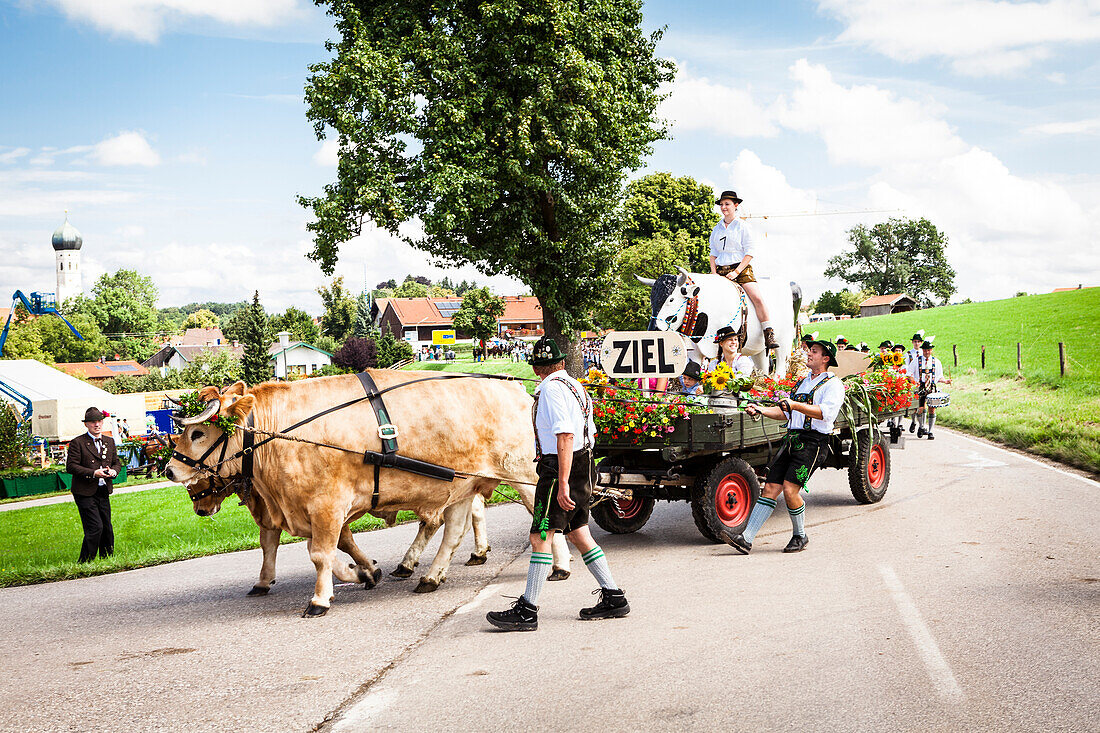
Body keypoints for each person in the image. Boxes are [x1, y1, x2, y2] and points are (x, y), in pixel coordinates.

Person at [487, 336, 629, 631]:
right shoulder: (575, 386)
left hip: (559, 469)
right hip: (584, 462)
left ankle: (527, 611)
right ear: (562, 363)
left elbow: (565, 435)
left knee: (540, 537)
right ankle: (614, 597)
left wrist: (562, 482)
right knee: (578, 532)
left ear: (538, 368)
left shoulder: (551, 389)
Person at [719, 339, 844, 555]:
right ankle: (746, 539)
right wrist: (760, 409)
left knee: (789, 489)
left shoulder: (833, 384)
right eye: (809, 350)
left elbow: (826, 413)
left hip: (813, 443)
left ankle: (800, 535)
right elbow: (785, 412)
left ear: (826, 359)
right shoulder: (803, 383)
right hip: (792, 439)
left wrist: (795, 405)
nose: (809, 354)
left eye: (814, 352)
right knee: (769, 488)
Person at [709, 190, 778, 350]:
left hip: (740, 268)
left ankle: (768, 332)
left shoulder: (743, 226)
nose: (724, 207)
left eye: (727, 204)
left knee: (757, 298)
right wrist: (713, 274)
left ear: (736, 205)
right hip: (720, 271)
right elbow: (713, 253)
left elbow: (750, 252)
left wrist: (737, 272)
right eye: (722, 204)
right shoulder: (716, 228)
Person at [66, 407, 122, 562]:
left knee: (106, 527)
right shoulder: (78, 443)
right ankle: (85, 562)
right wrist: (93, 473)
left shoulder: (109, 441)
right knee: (95, 527)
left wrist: (113, 471)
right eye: (92, 422)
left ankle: (107, 560)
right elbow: (71, 466)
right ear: (86, 425)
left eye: (99, 421)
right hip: (84, 491)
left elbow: (117, 463)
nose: (96, 425)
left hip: (103, 489)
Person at [907, 338, 950, 440]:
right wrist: (914, 382)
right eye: (925, 350)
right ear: (922, 350)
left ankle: (931, 431)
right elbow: (909, 374)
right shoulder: (916, 361)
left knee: (932, 409)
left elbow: (939, 377)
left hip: (932, 387)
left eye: (929, 350)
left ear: (931, 350)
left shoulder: (936, 362)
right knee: (921, 408)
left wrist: (946, 381)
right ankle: (921, 427)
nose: (927, 352)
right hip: (920, 387)